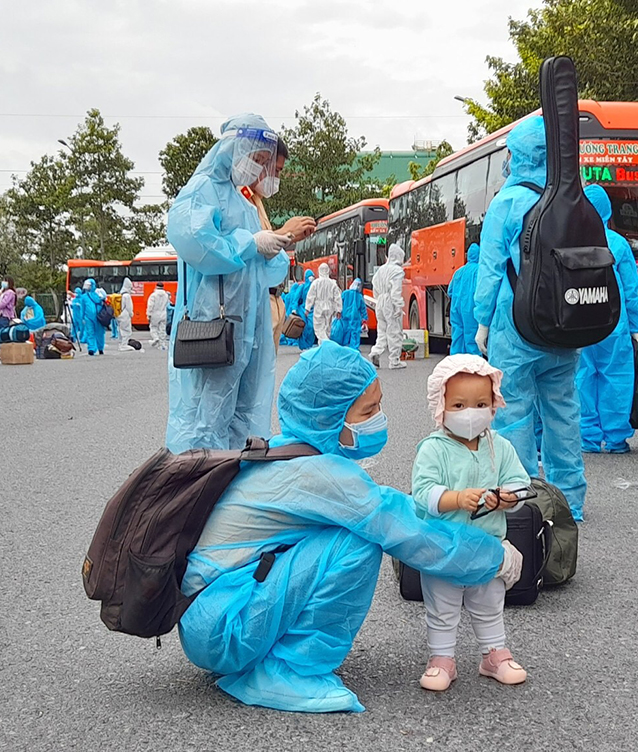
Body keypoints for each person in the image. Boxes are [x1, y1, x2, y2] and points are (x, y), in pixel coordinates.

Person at [178, 342, 524, 713]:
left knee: (347, 532)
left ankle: (272, 658)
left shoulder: (288, 450)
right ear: (331, 416)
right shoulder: (322, 475)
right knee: (357, 542)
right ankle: (290, 671)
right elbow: (405, 529)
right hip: (225, 627)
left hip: (214, 615)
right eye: (368, 410)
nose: (379, 417)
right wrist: (493, 557)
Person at [474, 116, 587, 521]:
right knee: (563, 411)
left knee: (514, 413)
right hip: (564, 324)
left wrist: (482, 323)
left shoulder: (506, 203)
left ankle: (523, 502)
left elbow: (489, 272)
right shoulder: (576, 197)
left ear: (518, 155)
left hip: (516, 326)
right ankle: (569, 501)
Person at [165, 113, 292, 453]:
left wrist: (277, 245)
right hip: (213, 322)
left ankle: (232, 480)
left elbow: (269, 270)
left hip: (246, 325)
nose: (259, 168)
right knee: (207, 416)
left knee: (242, 412)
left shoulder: (242, 202)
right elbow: (195, 241)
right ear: (231, 148)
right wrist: (251, 244)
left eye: (265, 162)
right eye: (257, 159)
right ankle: (198, 481)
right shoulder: (201, 192)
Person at [412, 355, 531, 691]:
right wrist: (455, 498)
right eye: (459, 404)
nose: (471, 412)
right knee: (443, 606)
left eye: (481, 403)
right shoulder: (433, 449)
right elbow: (423, 492)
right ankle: (441, 658)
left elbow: (521, 484)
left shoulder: (501, 447)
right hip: (442, 549)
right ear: (441, 406)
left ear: (494, 404)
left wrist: (509, 497)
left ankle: (494, 654)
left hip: (487, 545)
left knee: (489, 602)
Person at [576, 185, 638, 454]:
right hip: (613, 323)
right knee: (617, 377)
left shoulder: (570, 240)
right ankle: (615, 437)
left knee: (582, 376)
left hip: (577, 322)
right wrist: (635, 325)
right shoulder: (617, 243)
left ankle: (588, 435)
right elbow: (629, 289)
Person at [237, 136, 317, 355]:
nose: (277, 178)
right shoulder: (240, 198)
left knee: (263, 382)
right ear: (260, 162)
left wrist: (287, 237)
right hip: (255, 302)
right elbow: (247, 249)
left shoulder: (256, 200)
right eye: (277, 170)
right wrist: (285, 233)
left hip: (269, 301)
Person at [369, 243, 407, 370]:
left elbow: (375, 287)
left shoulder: (381, 270)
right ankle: (394, 360)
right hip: (390, 301)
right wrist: (398, 305)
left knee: (382, 330)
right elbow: (396, 291)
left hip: (380, 301)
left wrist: (380, 298)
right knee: (394, 330)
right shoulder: (397, 271)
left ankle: (376, 352)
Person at [447, 243, 481, 355]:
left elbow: (450, 291)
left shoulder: (458, 272)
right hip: (471, 308)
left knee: (457, 336)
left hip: (456, 308)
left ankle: (456, 365)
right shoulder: (479, 270)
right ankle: (473, 368)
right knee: (472, 336)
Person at [305, 263, 342, 345]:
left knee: (319, 328)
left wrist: (307, 309)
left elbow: (310, 296)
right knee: (327, 328)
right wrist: (339, 310)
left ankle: (326, 344)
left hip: (319, 307)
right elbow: (337, 297)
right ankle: (323, 347)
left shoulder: (316, 283)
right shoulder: (333, 283)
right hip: (330, 307)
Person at [330, 278, 367, 349]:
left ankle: (344, 347)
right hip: (355, 319)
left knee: (344, 332)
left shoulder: (345, 293)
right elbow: (363, 309)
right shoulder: (359, 296)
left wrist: (338, 312)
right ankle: (353, 349)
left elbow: (339, 303)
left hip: (344, 317)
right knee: (354, 334)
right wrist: (364, 319)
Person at [79, 278, 107, 356]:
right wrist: (83, 318)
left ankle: (100, 348)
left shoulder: (98, 294)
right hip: (89, 318)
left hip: (98, 317)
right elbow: (82, 308)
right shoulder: (84, 296)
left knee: (99, 333)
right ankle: (91, 349)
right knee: (90, 333)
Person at [146, 282, 170, 350]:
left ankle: (156, 338)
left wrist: (148, 315)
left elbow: (150, 306)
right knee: (162, 329)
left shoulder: (153, 295)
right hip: (163, 313)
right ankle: (162, 344)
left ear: (156, 286)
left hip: (155, 314)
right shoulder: (166, 295)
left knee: (153, 327)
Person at [117, 277, 135, 352]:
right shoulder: (127, 296)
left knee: (121, 330)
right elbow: (129, 307)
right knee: (127, 330)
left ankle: (121, 344)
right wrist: (131, 314)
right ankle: (124, 345)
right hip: (125, 315)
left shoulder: (121, 294)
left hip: (120, 314)